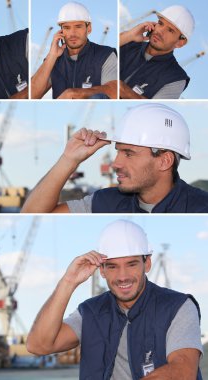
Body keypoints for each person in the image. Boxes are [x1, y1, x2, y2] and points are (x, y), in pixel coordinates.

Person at [26, 220, 203, 379]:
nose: (122, 276)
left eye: (131, 264)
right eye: (112, 266)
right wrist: (68, 282)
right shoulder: (90, 312)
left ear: (147, 263)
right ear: (101, 270)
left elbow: (182, 372)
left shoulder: (177, 307)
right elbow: (38, 345)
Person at [21, 103, 208, 213]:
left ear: (164, 161)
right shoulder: (105, 202)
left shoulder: (201, 208)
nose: (115, 163)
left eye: (129, 153)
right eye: (118, 151)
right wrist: (68, 159)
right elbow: (31, 214)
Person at [31, 1, 117, 99]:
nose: (72, 33)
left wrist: (73, 93)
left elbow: (114, 90)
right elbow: (32, 95)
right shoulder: (54, 60)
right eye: (67, 28)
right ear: (61, 31)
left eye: (78, 26)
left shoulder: (105, 55)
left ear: (89, 28)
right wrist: (51, 56)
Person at [120, 5, 194, 99]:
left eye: (170, 30)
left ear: (180, 42)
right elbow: (103, 53)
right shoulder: (128, 42)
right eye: (160, 23)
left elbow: (155, 106)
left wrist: (123, 90)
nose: (160, 31)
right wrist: (129, 35)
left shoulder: (176, 78)